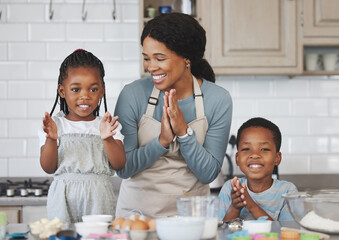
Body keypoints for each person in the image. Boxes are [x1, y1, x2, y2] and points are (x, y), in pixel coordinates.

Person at [114, 13, 233, 218]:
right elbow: (123, 169)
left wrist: (184, 134)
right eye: (146, 58)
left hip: (192, 217)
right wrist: (161, 142)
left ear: (187, 58)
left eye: (160, 58)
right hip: (136, 217)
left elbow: (208, 174)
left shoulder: (218, 100)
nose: (150, 67)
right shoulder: (132, 94)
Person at [38, 49, 126, 223]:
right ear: (62, 91)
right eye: (76, 89)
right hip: (62, 200)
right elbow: (48, 168)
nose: (85, 96)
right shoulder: (55, 126)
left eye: (93, 89)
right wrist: (51, 139)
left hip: (99, 199)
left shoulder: (107, 126)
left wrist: (107, 139)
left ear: (102, 91)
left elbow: (119, 164)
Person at [218, 117, 298, 221]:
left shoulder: (288, 191)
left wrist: (252, 206)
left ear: (277, 158)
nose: (254, 155)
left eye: (264, 149)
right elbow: (221, 232)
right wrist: (234, 208)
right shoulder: (229, 189)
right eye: (246, 149)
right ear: (237, 159)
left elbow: (285, 233)